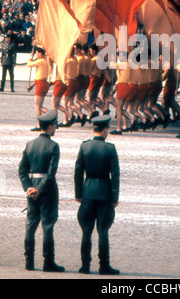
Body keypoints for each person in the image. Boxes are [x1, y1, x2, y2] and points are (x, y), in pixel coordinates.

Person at [18, 110, 65, 273]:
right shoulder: (54, 146)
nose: (56, 127)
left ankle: (29, 261)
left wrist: (29, 188)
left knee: (30, 225)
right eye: (55, 125)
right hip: (47, 189)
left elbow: (22, 169)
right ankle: (48, 262)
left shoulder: (30, 144)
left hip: (32, 187)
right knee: (48, 225)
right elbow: (51, 173)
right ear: (50, 125)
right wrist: (40, 189)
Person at [74, 115, 120, 275]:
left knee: (86, 231)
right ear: (105, 130)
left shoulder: (84, 147)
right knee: (103, 231)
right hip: (105, 193)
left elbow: (78, 172)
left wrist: (78, 193)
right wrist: (115, 197)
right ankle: (104, 265)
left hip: (87, 191)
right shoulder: (110, 148)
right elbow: (115, 175)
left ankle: (85, 265)